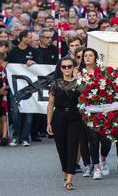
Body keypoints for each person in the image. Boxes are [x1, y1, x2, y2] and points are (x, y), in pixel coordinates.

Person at [47, 55, 82, 191]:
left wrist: (79, 80)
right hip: (59, 116)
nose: (67, 69)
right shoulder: (55, 84)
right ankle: (65, 172)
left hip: (75, 117)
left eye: (69, 66)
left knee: (72, 147)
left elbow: (87, 98)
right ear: (60, 69)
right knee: (62, 148)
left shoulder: (80, 83)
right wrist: (48, 122)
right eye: (64, 67)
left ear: (73, 67)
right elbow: (50, 105)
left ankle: (69, 180)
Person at [80, 48, 112, 180]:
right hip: (88, 112)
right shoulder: (79, 74)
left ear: (95, 58)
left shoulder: (103, 72)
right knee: (93, 140)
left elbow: (111, 88)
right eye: (85, 56)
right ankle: (96, 167)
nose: (87, 58)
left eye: (90, 55)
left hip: (104, 110)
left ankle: (103, 160)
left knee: (106, 141)